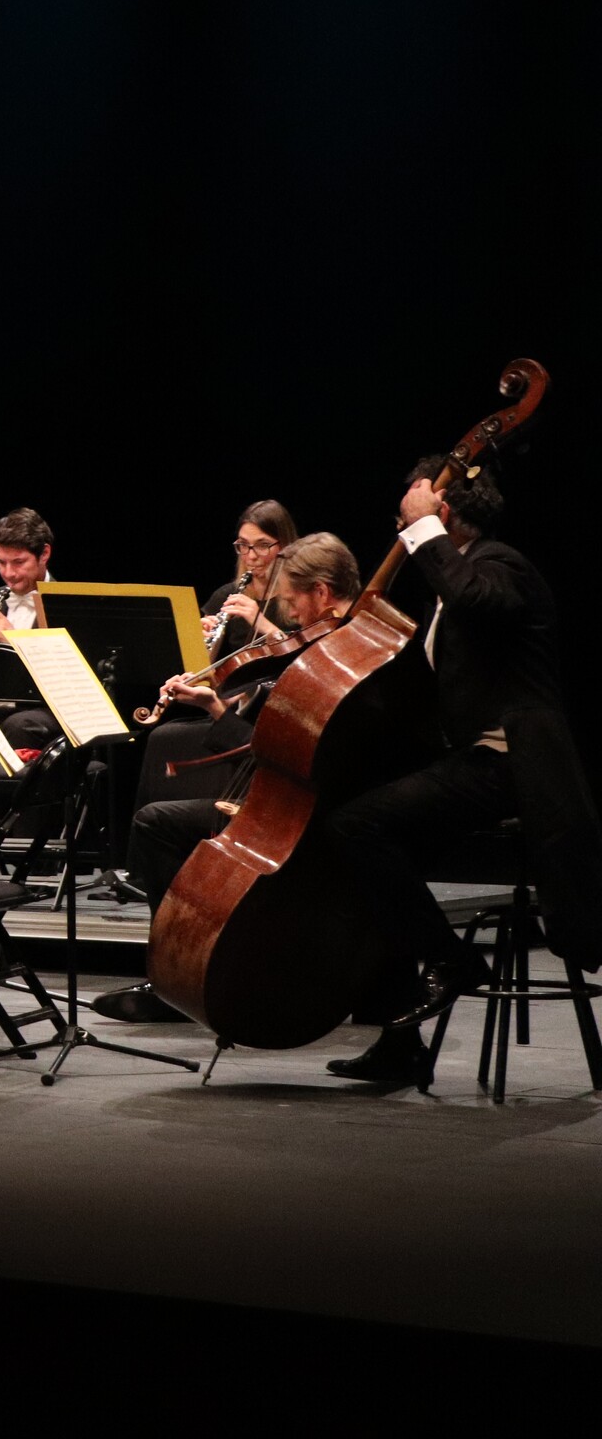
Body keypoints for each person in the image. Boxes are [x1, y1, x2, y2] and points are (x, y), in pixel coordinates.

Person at [311, 462, 602, 1080]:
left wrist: (423, 532)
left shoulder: (501, 566)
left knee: (360, 828)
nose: (400, 532)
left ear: (443, 512)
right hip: (470, 760)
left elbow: (478, 600)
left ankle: (451, 960)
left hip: (511, 766)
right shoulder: (450, 582)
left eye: (407, 518)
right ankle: (401, 1042)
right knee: (370, 845)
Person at [90, 532, 361, 1025]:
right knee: (160, 816)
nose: (290, 615)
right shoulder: (339, 647)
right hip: (283, 795)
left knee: (157, 823)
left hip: (303, 810)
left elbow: (279, 748)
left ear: (322, 593)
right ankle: (184, 969)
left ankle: (184, 969)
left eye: (292, 601)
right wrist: (220, 704)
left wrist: (219, 711)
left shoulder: (335, 659)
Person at [0, 506, 59, 748]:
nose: (9, 573)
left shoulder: (66, 605)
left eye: (19, 562)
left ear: (44, 553)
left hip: (43, 708)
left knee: (19, 725)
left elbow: (66, 677)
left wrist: (13, 638)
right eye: (1, 562)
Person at [202, 501, 299, 660]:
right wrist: (200, 645)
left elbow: (308, 664)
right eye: (244, 545)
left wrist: (263, 624)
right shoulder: (225, 596)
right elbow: (204, 670)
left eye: (263, 545)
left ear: (285, 546)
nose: (251, 556)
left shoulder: (302, 598)